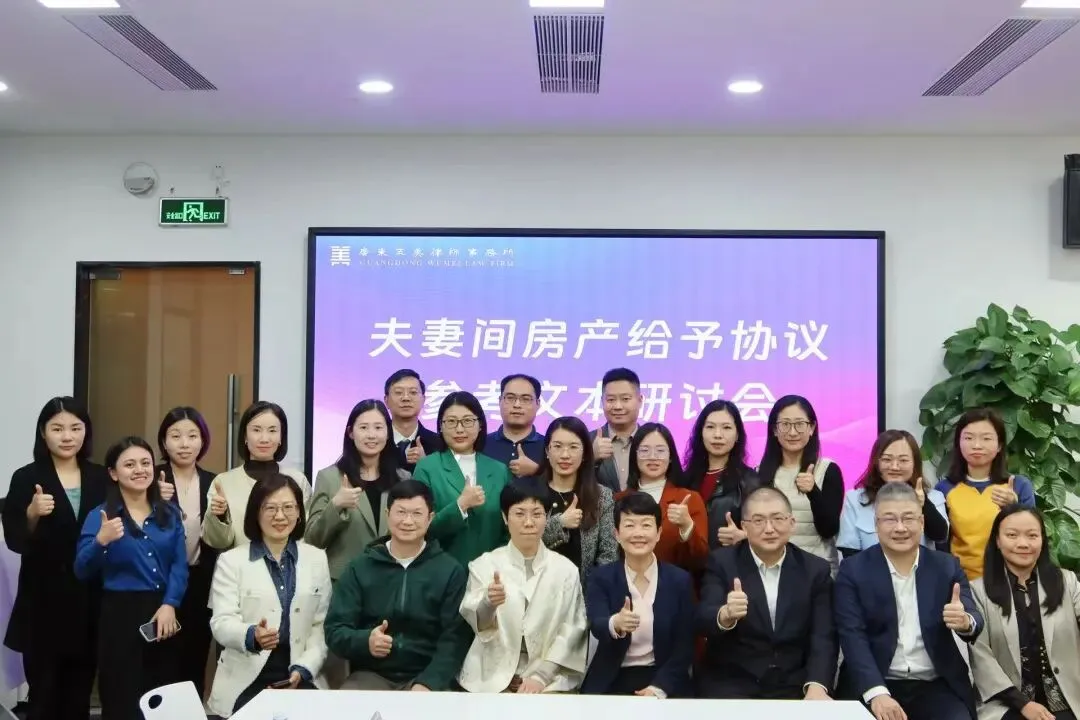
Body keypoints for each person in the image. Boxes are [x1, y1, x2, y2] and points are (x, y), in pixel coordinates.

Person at [835, 482, 983, 720]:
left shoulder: (946, 566)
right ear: (876, 524)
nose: (900, 527)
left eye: (908, 518)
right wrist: (877, 693)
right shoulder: (853, 570)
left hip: (935, 683)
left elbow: (973, 616)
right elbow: (852, 636)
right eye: (890, 519)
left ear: (922, 522)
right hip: (875, 681)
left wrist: (966, 621)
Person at [1, 397, 108, 720]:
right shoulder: (26, 477)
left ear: (86, 432)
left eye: (76, 428)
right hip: (43, 604)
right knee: (44, 699)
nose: (67, 436)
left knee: (78, 697)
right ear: (43, 432)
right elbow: (16, 540)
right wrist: (32, 514)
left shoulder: (100, 477)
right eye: (57, 429)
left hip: (89, 602)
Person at [75, 436, 187, 720]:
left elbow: (179, 565)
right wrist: (100, 541)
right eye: (129, 464)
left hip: (163, 612)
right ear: (113, 473)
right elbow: (81, 569)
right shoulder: (101, 516)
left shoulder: (170, 513)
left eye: (145, 463)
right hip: (119, 613)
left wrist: (170, 603)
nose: (140, 470)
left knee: (163, 696)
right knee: (121, 695)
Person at [323, 480, 472, 691]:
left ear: (430, 518)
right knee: (349, 704)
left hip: (428, 675)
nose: (407, 521)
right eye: (401, 512)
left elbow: (455, 638)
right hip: (370, 675)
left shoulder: (449, 571)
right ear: (387, 514)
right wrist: (365, 641)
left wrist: (429, 682)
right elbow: (335, 629)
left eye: (417, 514)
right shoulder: (361, 567)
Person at [695, 486, 837, 700]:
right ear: (744, 527)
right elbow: (704, 616)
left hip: (794, 683)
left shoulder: (815, 570)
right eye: (759, 521)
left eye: (778, 519)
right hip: (733, 682)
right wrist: (725, 615)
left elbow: (823, 635)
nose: (769, 529)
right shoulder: (722, 562)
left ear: (792, 523)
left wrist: (816, 685)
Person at [207, 473, 331, 717]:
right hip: (246, 676)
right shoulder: (231, 561)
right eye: (270, 508)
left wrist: (304, 668)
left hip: (299, 672)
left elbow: (320, 626)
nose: (280, 516)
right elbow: (221, 622)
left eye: (288, 507)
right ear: (256, 512)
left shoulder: (317, 559)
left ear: (299, 512)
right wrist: (251, 634)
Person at [457, 482, 588, 693]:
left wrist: (541, 677)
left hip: (550, 681)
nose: (528, 522)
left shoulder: (565, 570)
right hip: (490, 677)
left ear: (547, 516)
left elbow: (573, 629)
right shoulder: (484, 565)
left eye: (537, 514)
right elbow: (478, 624)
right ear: (504, 517)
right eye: (519, 514)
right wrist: (488, 603)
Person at [970, 506, 1080, 720]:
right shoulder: (978, 592)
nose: (1023, 544)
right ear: (997, 541)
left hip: (1068, 696)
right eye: (1012, 535)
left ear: (1042, 541)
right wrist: (1024, 705)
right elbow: (980, 657)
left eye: (1032, 536)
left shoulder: (1066, 582)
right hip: (1006, 701)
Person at [582, 492, 694, 698]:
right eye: (630, 525)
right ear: (616, 534)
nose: (638, 533)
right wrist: (615, 623)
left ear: (659, 533)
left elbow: (684, 646)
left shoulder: (679, 580)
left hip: (664, 679)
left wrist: (658, 689)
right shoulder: (601, 577)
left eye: (646, 525)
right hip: (613, 679)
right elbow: (597, 623)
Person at [306, 399, 410, 581]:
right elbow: (313, 540)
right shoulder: (329, 478)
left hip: (393, 580)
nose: (371, 435)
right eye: (363, 428)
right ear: (350, 433)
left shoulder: (403, 479)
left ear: (388, 433)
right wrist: (336, 506)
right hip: (346, 582)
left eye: (378, 427)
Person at [155, 406, 218, 699]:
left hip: (202, 581)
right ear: (164, 441)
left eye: (193, 436)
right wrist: (154, 499)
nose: (184, 443)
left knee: (195, 656)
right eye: (176, 436)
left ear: (203, 440)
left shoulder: (214, 482)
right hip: (160, 583)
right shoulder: (151, 479)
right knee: (162, 661)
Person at [936, 408, 1036, 580]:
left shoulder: (1018, 486)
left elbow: (1032, 537)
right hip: (962, 582)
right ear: (958, 443)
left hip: (1009, 581)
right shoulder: (944, 489)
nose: (977, 445)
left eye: (986, 438)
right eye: (969, 438)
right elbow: (941, 545)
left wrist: (1014, 508)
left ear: (999, 445)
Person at [413, 391, 511, 565]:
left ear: (480, 425)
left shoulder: (498, 470)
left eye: (467, 421)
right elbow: (418, 528)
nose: (459, 429)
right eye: (451, 422)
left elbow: (509, 528)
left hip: (491, 572)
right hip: (442, 570)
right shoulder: (427, 467)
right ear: (440, 426)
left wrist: (498, 566)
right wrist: (460, 505)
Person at [203, 401, 312, 551]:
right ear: (245, 436)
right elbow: (217, 542)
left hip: (289, 563)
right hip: (239, 564)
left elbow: (306, 535)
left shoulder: (297, 480)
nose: (264, 438)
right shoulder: (223, 482)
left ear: (281, 437)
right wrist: (219, 516)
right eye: (256, 430)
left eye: (272, 431)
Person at [756, 395, 843, 573]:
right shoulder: (759, 473)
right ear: (774, 429)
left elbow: (829, 530)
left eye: (800, 424)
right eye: (785, 424)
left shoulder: (828, 470)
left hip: (817, 573)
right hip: (770, 570)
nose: (793, 432)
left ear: (812, 428)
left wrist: (813, 492)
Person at [838, 429, 948, 557]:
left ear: (915, 463)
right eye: (887, 459)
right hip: (869, 569)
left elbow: (941, 536)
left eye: (903, 460)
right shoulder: (855, 499)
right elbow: (850, 553)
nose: (895, 466)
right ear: (876, 462)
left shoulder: (934, 497)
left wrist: (924, 504)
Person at [616, 423, 708, 574]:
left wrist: (687, 526)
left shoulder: (689, 499)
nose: (653, 457)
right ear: (634, 456)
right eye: (645, 450)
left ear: (671, 457)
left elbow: (701, 559)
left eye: (660, 451)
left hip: (675, 585)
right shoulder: (619, 500)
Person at [538, 416, 617, 585]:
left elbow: (608, 554)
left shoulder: (602, 496)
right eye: (557, 446)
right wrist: (559, 523)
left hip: (585, 593)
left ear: (585, 454)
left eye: (573, 447)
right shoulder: (531, 492)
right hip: (537, 591)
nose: (565, 455)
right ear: (547, 451)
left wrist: (592, 593)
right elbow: (522, 544)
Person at [682, 400, 760, 549]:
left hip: (729, 561)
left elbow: (766, 531)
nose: (717, 435)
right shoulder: (685, 479)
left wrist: (745, 537)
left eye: (726, 427)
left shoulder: (751, 482)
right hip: (689, 561)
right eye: (710, 427)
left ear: (737, 435)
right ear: (701, 433)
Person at [589, 368, 643, 493]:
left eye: (625, 399)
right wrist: (591, 458)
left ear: (640, 400)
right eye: (611, 400)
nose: (618, 406)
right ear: (602, 401)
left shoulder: (652, 440)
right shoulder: (587, 441)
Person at [481, 374, 546, 477]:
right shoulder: (481, 444)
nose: (517, 405)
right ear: (500, 401)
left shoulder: (549, 447)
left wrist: (537, 471)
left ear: (538, 404)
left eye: (525, 399)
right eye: (510, 398)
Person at [384, 369, 440, 472]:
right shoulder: (376, 442)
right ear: (386, 400)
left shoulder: (438, 444)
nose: (406, 398)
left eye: (413, 392)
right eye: (398, 392)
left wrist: (426, 464)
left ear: (423, 399)